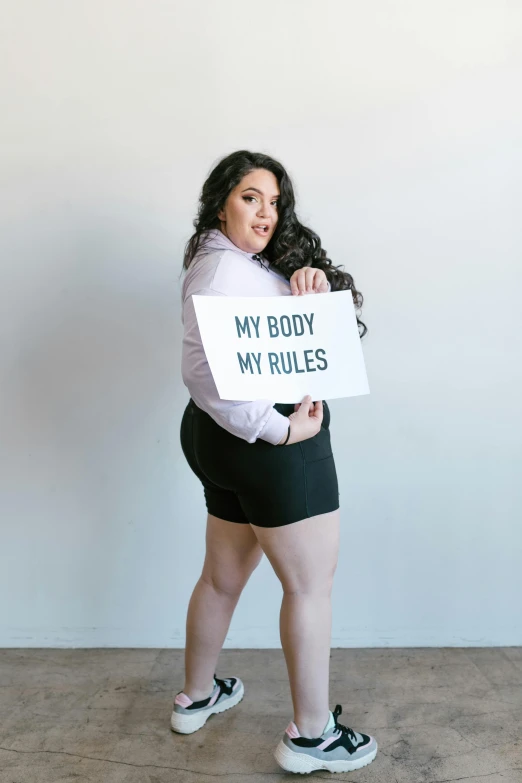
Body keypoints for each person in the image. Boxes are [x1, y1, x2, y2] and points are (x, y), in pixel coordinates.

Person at [171, 150, 378, 775]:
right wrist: (279, 432)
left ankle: (197, 696)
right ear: (220, 201)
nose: (266, 213)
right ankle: (312, 736)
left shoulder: (230, 261)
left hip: (223, 444)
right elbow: (204, 373)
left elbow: (262, 338)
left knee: (221, 577)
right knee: (309, 586)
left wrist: (304, 282)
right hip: (272, 447)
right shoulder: (220, 274)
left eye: (274, 201)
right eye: (250, 197)